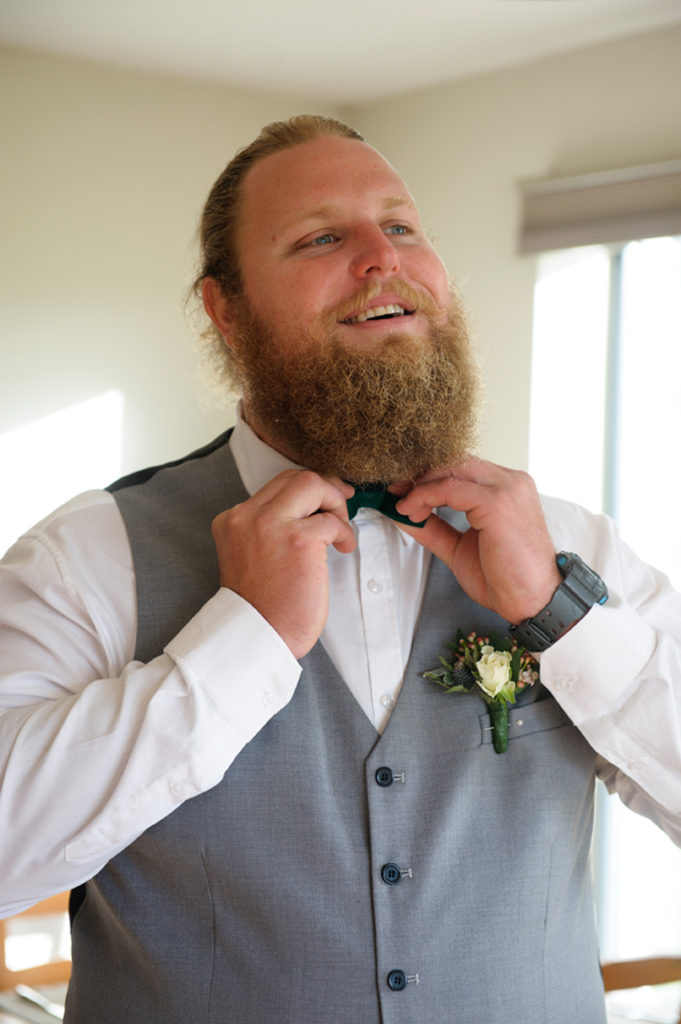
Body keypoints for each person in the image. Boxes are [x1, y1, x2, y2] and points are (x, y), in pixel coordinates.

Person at [0, 114, 679, 1024]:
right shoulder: (86, 557)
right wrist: (243, 642)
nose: (379, 258)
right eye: (321, 237)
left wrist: (561, 617)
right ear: (225, 311)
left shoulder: (571, 545)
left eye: (400, 226)